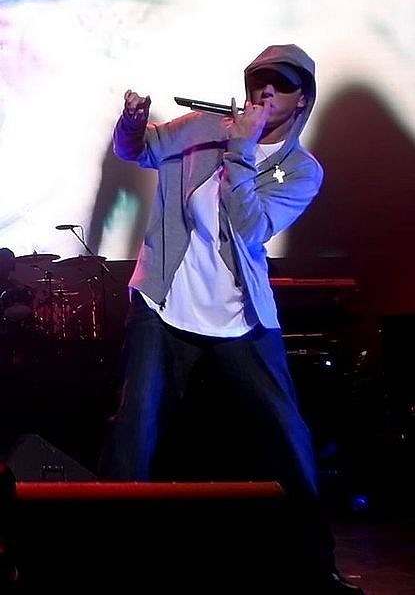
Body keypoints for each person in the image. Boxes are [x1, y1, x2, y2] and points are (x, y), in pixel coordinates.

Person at [99, 44, 365, 593]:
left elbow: (249, 227)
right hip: (164, 302)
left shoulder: (301, 171)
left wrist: (242, 149)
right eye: (261, 79)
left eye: (283, 84)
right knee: (134, 429)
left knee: (287, 435)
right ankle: (111, 563)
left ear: (302, 100)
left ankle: (318, 565)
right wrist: (131, 122)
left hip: (241, 317)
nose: (267, 90)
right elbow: (137, 150)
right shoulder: (202, 128)